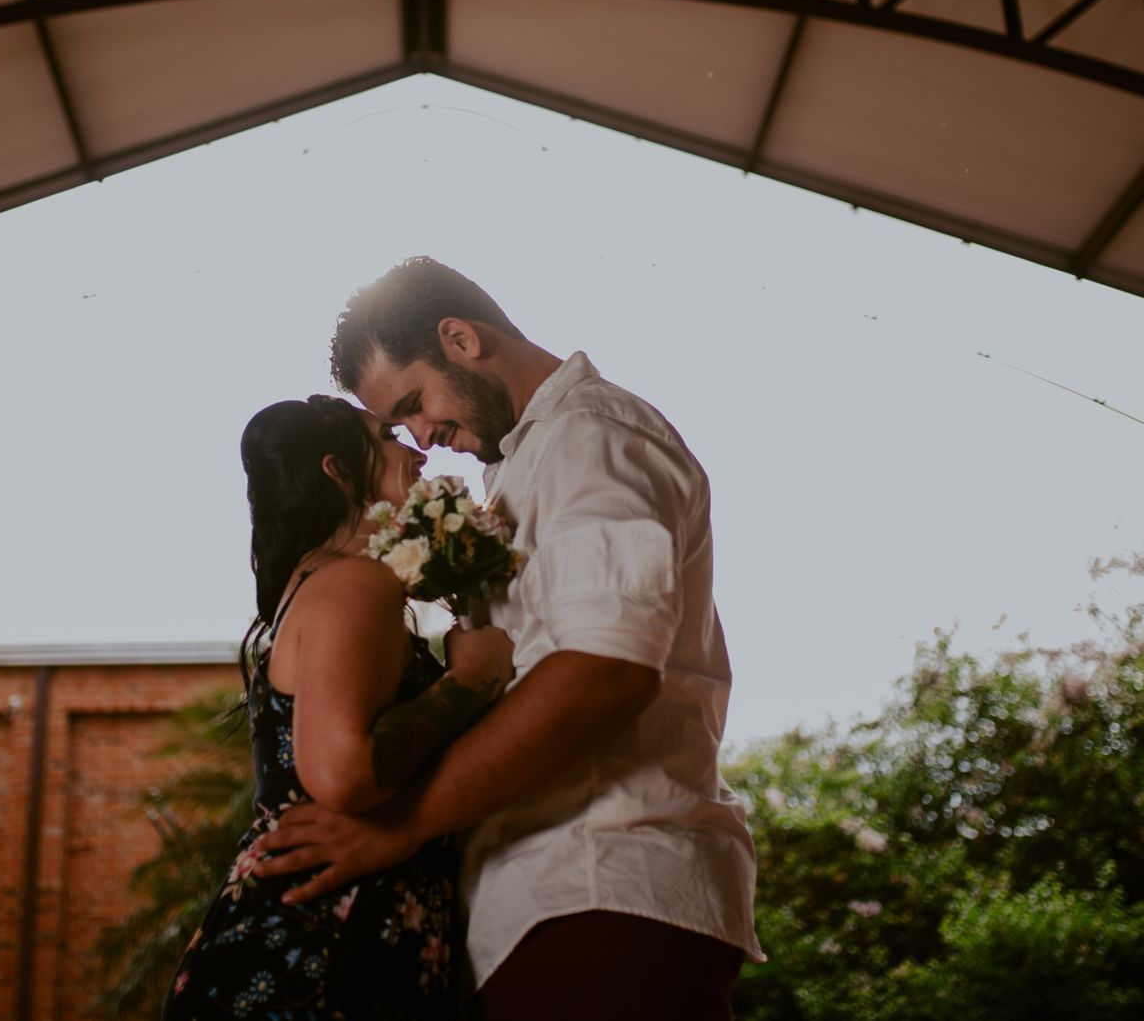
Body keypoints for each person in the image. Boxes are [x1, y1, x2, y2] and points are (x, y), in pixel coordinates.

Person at [259, 258, 762, 1020]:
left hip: (603, 887)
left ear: (461, 339)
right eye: (397, 427)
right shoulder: (523, 466)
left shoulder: (590, 437)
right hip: (538, 908)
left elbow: (606, 668)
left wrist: (399, 829)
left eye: (413, 404)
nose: (421, 436)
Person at [163, 395, 516, 1020]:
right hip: (319, 955)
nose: (414, 448)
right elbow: (343, 770)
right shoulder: (353, 582)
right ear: (336, 470)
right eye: (386, 437)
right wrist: (471, 681)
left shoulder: (315, 583)